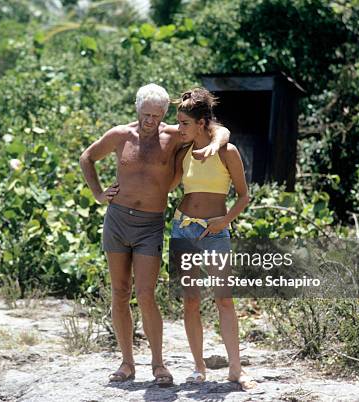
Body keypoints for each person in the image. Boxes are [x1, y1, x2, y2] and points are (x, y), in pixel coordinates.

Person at [79, 84, 230, 386]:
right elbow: (87, 157)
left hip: (150, 224)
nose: (151, 121)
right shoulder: (120, 135)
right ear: (137, 109)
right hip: (118, 220)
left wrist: (215, 146)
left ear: (164, 115)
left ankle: (158, 365)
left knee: (146, 295)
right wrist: (97, 193)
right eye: (146, 114)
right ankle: (126, 363)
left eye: (157, 116)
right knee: (120, 293)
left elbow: (218, 130)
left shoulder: (173, 134)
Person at [170, 87, 256, 389]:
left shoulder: (227, 152)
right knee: (190, 301)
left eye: (184, 123)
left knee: (225, 300)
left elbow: (244, 197)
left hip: (214, 230)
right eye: (178, 122)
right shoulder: (182, 150)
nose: (179, 127)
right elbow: (169, 185)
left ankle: (236, 369)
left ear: (203, 122)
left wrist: (225, 220)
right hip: (182, 229)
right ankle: (198, 367)